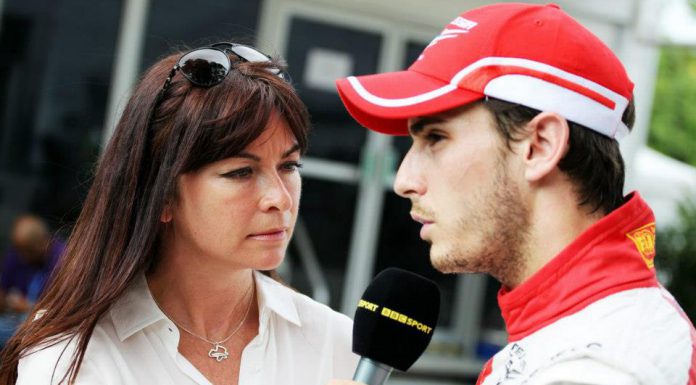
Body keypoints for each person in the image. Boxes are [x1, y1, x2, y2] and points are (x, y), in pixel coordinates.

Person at [331, 3, 696, 385]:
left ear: (539, 146)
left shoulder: (604, 364)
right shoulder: (575, 327)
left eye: (436, 137)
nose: (403, 179)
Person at [0, 42, 358, 384]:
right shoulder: (72, 351)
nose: (279, 199)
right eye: (241, 172)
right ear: (163, 195)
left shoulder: (335, 341)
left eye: (289, 166)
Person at [0, 214, 64, 347]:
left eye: (27, 252)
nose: (23, 258)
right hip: (13, 318)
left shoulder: (62, 260)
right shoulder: (19, 251)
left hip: (42, 325)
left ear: (42, 244)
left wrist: (27, 307)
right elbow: (3, 288)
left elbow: (57, 311)